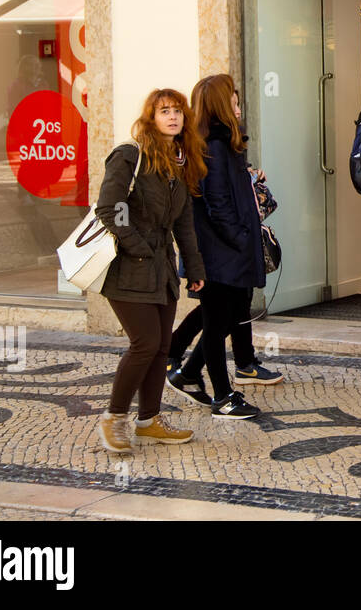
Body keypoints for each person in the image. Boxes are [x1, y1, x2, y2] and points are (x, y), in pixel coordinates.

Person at [95, 89, 208, 455]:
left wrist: (194, 267)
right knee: (143, 344)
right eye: (164, 111)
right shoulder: (131, 156)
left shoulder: (179, 160)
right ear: (151, 117)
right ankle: (114, 419)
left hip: (161, 271)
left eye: (177, 111)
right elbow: (109, 209)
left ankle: (149, 421)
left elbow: (185, 223)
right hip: (129, 267)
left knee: (161, 348)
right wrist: (140, 248)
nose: (172, 117)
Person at [166, 87, 281, 405]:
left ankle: (192, 373)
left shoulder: (224, 144)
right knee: (219, 320)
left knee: (223, 317)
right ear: (218, 107)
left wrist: (247, 179)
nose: (239, 109)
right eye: (232, 103)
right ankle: (220, 393)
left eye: (238, 102)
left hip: (222, 249)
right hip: (216, 250)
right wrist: (241, 239)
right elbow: (216, 204)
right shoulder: (209, 147)